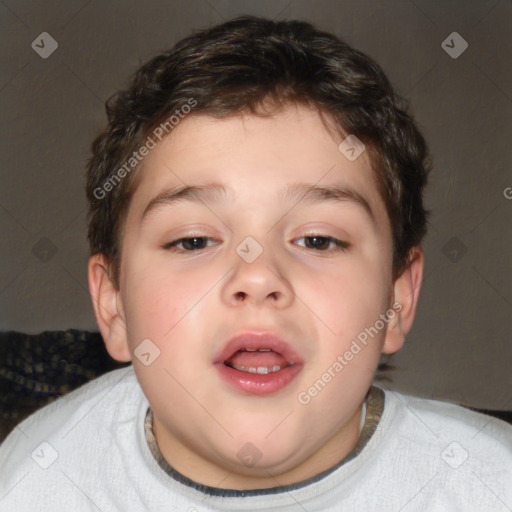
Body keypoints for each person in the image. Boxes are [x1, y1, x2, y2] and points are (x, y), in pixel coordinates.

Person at [1, 15, 510, 511]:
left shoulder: (488, 485)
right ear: (113, 307)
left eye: (317, 239)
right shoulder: (32, 482)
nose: (258, 277)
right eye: (194, 240)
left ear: (397, 298)